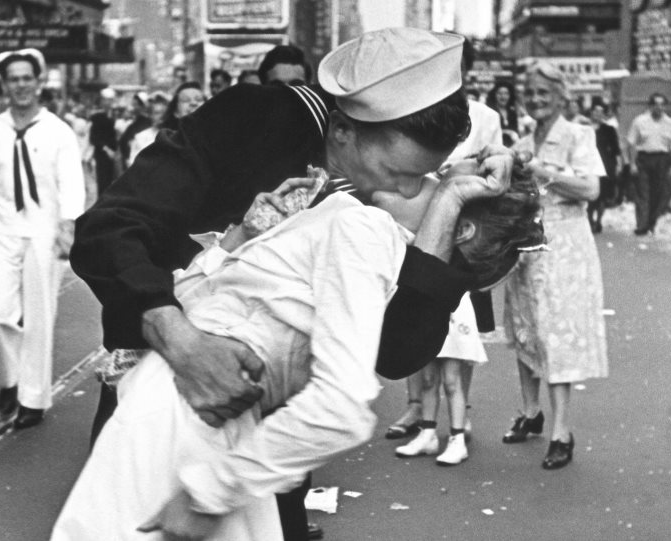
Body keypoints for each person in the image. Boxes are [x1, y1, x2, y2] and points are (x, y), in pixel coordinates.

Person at [69, 27, 516, 541]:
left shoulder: (385, 205)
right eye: (399, 171)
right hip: (171, 403)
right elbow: (109, 230)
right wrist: (181, 340)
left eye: (427, 176)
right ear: (343, 129)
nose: (409, 189)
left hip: (262, 450)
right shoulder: (258, 118)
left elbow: (396, 352)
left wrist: (457, 203)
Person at [52, 163, 543, 541]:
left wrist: (207, 493)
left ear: (456, 224)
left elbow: (347, 398)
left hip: (193, 430)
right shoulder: (350, 218)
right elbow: (193, 303)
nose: (421, 173)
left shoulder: (370, 234)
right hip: (202, 430)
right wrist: (243, 237)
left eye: (437, 180)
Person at [384, 37, 502, 446]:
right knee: (411, 312)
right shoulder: (409, 112)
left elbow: (492, 174)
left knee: (460, 334)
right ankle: (417, 406)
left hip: (463, 233)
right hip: (415, 224)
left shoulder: (485, 117)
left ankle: (459, 414)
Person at [0, 48, 85, 430]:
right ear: (4, 85)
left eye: (27, 78)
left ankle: (33, 399)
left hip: (44, 234)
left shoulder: (58, 131)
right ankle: (11, 380)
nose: (21, 85)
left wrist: (67, 229)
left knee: (40, 319)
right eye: (13, 79)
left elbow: (71, 185)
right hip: (1, 231)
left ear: (38, 82)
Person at [501, 62, 608, 470]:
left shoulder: (579, 135)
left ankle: (562, 431)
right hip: (526, 245)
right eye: (530, 92)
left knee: (557, 333)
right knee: (526, 328)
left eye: (544, 92)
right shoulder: (522, 141)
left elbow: (590, 188)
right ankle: (531, 412)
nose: (536, 99)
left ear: (562, 96)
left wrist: (539, 171)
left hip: (565, 246)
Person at [627, 92, 671, 236]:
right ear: (650, 106)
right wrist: (632, 164)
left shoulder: (670, 124)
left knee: (659, 194)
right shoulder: (639, 121)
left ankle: (651, 223)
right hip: (644, 159)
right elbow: (632, 143)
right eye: (656, 104)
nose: (659, 107)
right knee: (642, 193)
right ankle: (641, 225)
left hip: (662, 160)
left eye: (662, 104)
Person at [587, 103, 621, 232]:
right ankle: (590, 219)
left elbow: (615, 149)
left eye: (601, 112)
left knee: (602, 195)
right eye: (596, 111)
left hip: (605, 165)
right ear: (591, 112)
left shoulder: (609, 129)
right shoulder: (584, 128)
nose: (598, 114)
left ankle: (599, 221)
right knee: (590, 195)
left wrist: (618, 165)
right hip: (587, 164)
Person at [89, 87, 118, 196]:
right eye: (106, 100)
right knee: (103, 183)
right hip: (102, 155)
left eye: (110, 100)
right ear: (101, 101)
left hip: (114, 155)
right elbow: (94, 138)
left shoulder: (115, 115)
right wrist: (107, 150)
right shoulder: (96, 117)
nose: (108, 103)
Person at [128, 99, 166, 168]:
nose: (161, 116)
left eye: (164, 113)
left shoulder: (173, 136)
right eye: (157, 113)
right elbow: (133, 164)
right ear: (151, 115)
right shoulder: (140, 137)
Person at [118, 92, 151, 166]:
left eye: (135, 104)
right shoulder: (135, 123)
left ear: (142, 106)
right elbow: (123, 142)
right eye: (133, 104)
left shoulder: (145, 123)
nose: (132, 107)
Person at [486, 81, 520, 147]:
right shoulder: (490, 112)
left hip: (511, 147)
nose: (503, 96)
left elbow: (516, 132)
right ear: (494, 95)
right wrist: (508, 132)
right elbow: (488, 132)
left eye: (506, 93)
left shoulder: (512, 112)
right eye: (499, 93)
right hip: (495, 146)